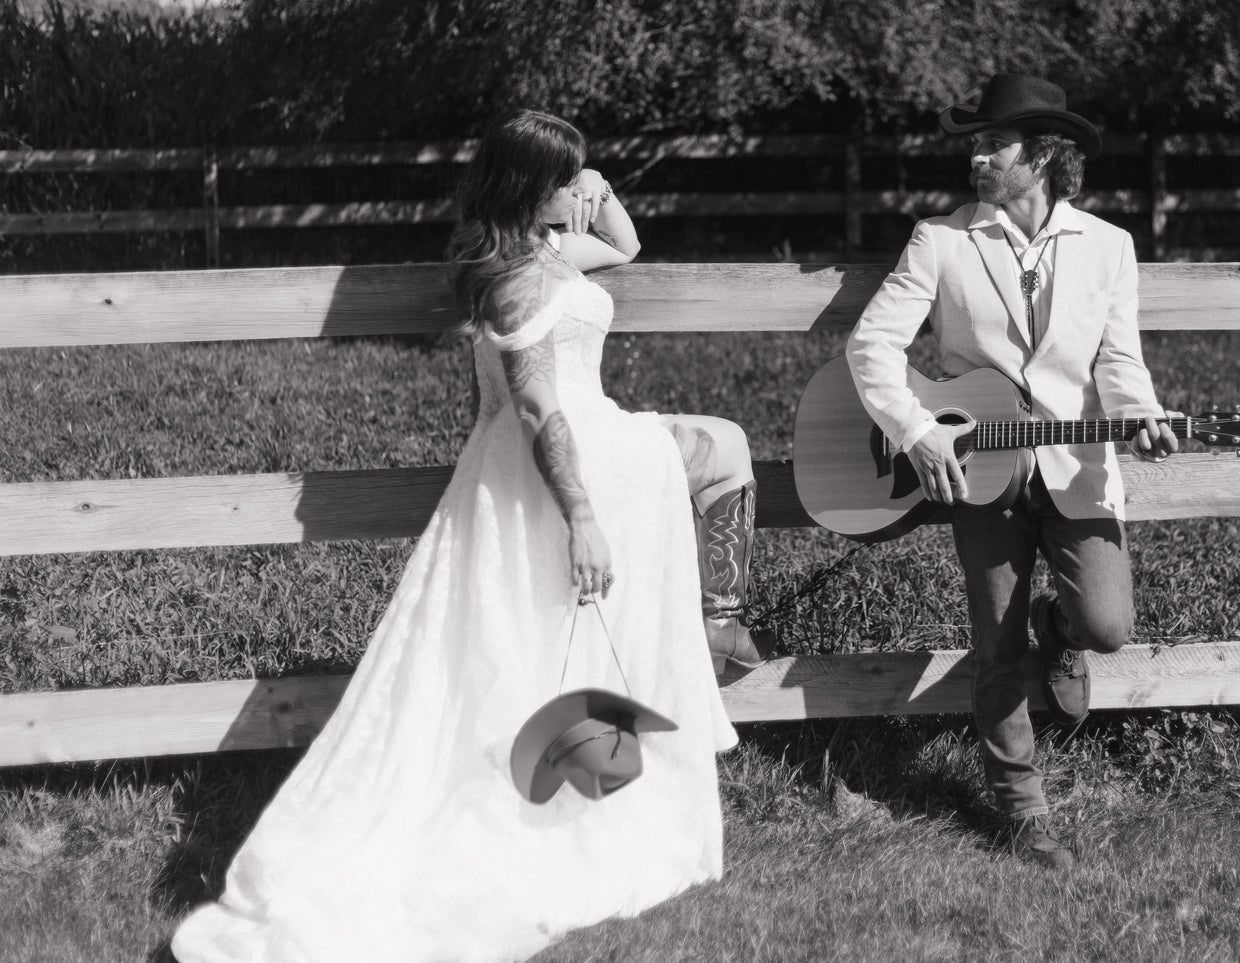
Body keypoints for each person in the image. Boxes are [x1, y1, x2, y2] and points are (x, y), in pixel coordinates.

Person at [171, 107, 769, 963]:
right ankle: (576, 777)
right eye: (567, 177)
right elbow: (534, 404)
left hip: (576, 448)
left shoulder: (540, 253)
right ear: (532, 187)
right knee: (533, 633)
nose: (579, 188)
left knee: (568, 634)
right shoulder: (520, 277)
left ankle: (613, 756)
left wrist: (599, 195)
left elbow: (627, 247)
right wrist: (583, 515)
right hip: (563, 466)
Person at [845, 74, 1179, 869]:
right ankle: (1021, 807)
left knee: (1106, 624)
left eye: (993, 143)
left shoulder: (1109, 246)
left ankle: (1056, 630)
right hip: (974, 468)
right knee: (992, 645)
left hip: (1077, 463)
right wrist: (916, 430)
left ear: (1043, 154)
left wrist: (1143, 415)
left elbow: (1119, 362)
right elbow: (871, 346)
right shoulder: (940, 239)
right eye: (975, 143)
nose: (977, 155)